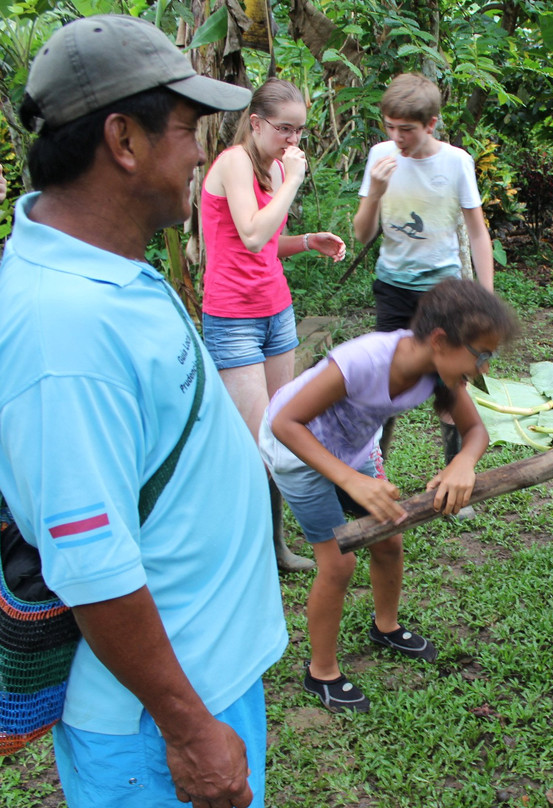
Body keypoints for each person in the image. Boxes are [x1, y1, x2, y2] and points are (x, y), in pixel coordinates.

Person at [0, 15, 288, 808]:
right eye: (188, 130)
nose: (199, 154)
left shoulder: (108, 268)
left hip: (203, 676)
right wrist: (190, 728)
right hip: (155, 723)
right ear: (123, 141)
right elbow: (91, 566)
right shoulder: (67, 334)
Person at [259, 279, 517, 712]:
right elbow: (287, 423)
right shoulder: (363, 361)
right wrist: (351, 480)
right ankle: (321, 671)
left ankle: (386, 626)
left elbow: (476, 431)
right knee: (338, 565)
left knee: (389, 540)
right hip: (297, 453)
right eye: (482, 355)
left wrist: (462, 463)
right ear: (439, 340)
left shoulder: (439, 373)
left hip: (355, 450)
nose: (484, 369)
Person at [201, 78, 346, 572]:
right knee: (259, 442)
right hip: (232, 317)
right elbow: (249, 234)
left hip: (275, 312)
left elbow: (268, 242)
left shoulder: (277, 165)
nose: (293, 140)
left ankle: (276, 549)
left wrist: (306, 240)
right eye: (284, 129)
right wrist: (290, 184)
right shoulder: (235, 163)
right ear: (256, 122)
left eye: (299, 130)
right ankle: (245, 553)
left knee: (282, 433)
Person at [352, 73, 495, 498]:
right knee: (386, 382)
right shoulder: (380, 157)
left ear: (431, 123)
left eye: (407, 129)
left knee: (452, 383)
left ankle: (455, 480)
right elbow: (362, 234)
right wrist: (375, 191)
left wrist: (484, 298)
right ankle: (375, 478)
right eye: (389, 126)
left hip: (444, 292)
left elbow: (478, 233)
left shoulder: (455, 162)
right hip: (393, 287)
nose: (396, 137)